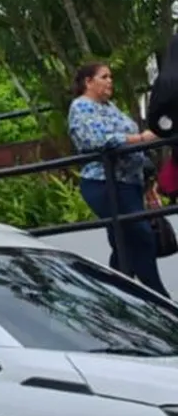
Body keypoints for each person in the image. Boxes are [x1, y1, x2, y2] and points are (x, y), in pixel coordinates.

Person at [68, 62, 169, 296]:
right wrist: (141, 139)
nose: (110, 81)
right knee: (140, 236)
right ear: (88, 82)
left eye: (110, 76)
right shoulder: (81, 107)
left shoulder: (110, 107)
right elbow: (98, 139)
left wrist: (147, 179)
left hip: (129, 183)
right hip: (105, 182)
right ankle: (157, 296)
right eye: (104, 77)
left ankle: (117, 296)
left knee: (122, 241)